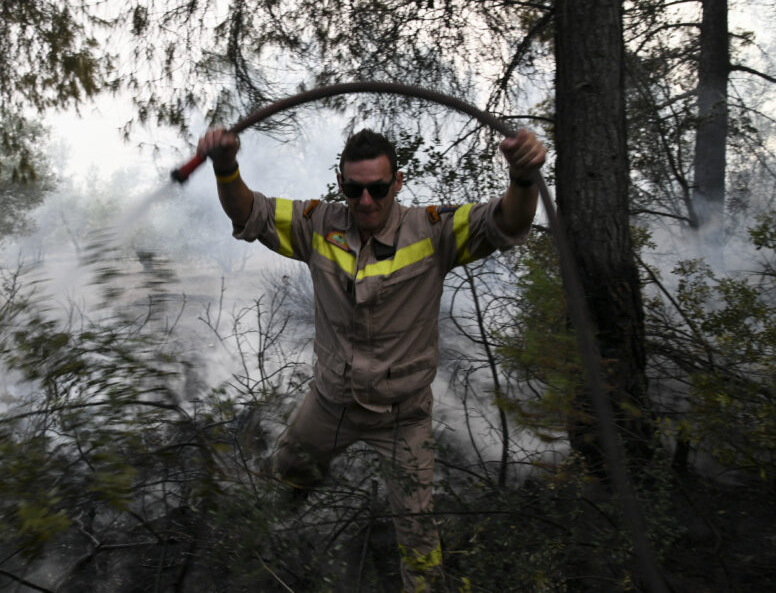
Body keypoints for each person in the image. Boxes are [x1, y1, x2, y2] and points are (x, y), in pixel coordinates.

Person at [195, 125, 546, 591]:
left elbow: (506, 222)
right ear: (340, 184)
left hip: (403, 417)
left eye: (377, 189)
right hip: (331, 404)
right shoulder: (317, 224)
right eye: (354, 188)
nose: (365, 201)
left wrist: (523, 179)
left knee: (419, 536)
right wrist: (225, 167)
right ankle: (268, 556)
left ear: (396, 183)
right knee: (284, 478)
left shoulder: (434, 230)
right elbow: (251, 212)